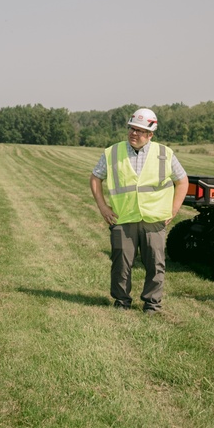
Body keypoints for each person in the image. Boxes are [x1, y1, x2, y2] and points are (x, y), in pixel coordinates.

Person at [90, 108, 189, 314]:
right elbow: (95, 178)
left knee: (155, 264)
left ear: (150, 134)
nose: (134, 133)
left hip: (153, 219)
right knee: (121, 263)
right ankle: (121, 301)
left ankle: (152, 304)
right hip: (123, 217)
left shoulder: (164, 154)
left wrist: (173, 209)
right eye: (132, 129)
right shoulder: (112, 152)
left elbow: (182, 181)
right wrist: (102, 206)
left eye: (140, 131)